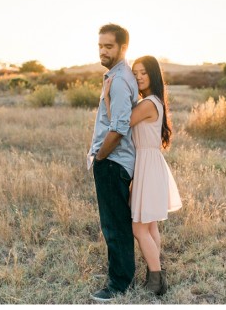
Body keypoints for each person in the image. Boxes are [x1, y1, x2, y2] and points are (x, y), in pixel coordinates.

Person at [104, 55, 182, 296]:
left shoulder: (147, 103)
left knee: (139, 229)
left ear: (154, 75)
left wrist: (107, 97)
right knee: (150, 227)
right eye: (135, 72)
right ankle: (155, 274)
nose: (138, 77)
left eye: (143, 73)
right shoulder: (155, 101)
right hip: (151, 164)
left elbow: (119, 123)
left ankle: (156, 280)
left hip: (148, 166)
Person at [87, 23, 139, 302]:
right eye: (100, 46)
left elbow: (118, 127)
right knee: (117, 222)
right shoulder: (118, 76)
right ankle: (123, 275)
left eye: (109, 46)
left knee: (113, 224)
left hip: (113, 162)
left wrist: (100, 156)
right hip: (115, 162)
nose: (103, 51)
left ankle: (119, 284)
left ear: (122, 48)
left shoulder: (118, 80)